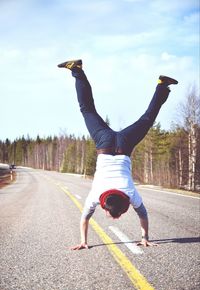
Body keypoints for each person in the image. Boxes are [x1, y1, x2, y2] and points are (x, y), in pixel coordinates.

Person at [57, 59, 178, 250]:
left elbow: (143, 215)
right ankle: (77, 69)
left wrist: (144, 237)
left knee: (147, 119)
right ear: (106, 208)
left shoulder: (130, 193)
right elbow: (85, 218)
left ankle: (162, 85)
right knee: (87, 109)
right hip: (104, 144)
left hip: (124, 145)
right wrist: (83, 241)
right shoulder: (96, 196)